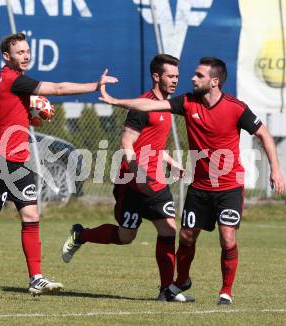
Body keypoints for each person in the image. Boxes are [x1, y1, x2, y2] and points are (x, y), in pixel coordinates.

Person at [99, 57, 285, 305]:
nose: (192, 78)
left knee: (227, 237)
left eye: (199, 75)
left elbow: (263, 134)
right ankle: (182, 280)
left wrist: (275, 170)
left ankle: (225, 292)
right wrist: (116, 101)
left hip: (229, 186)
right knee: (186, 237)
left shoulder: (236, 107)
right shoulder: (187, 102)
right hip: (199, 188)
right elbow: (149, 105)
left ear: (214, 81)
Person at [0, 32, 118, 296]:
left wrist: (28, 111)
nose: (26, 55)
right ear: (7, 56)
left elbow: (13, 106)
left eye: (28, 51)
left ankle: (36, 278)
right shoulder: (14, 80)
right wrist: (94, 86)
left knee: (31, 215)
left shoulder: (12, 81)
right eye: (20, 52)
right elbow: (59, 88)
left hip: (19, 160)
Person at [61, 54, 192, 302]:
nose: (175, 80)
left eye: (177, 76)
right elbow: (127, 143)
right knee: (125, 237)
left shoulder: (165, 105)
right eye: (170, 76)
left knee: (168, 230)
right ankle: (81, 234)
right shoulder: (142, 106)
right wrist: (137, 173)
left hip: (155, 182)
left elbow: (152, 143)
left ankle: (166, 290)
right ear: (156, 76)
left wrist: (171, 161)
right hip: (131, 182)